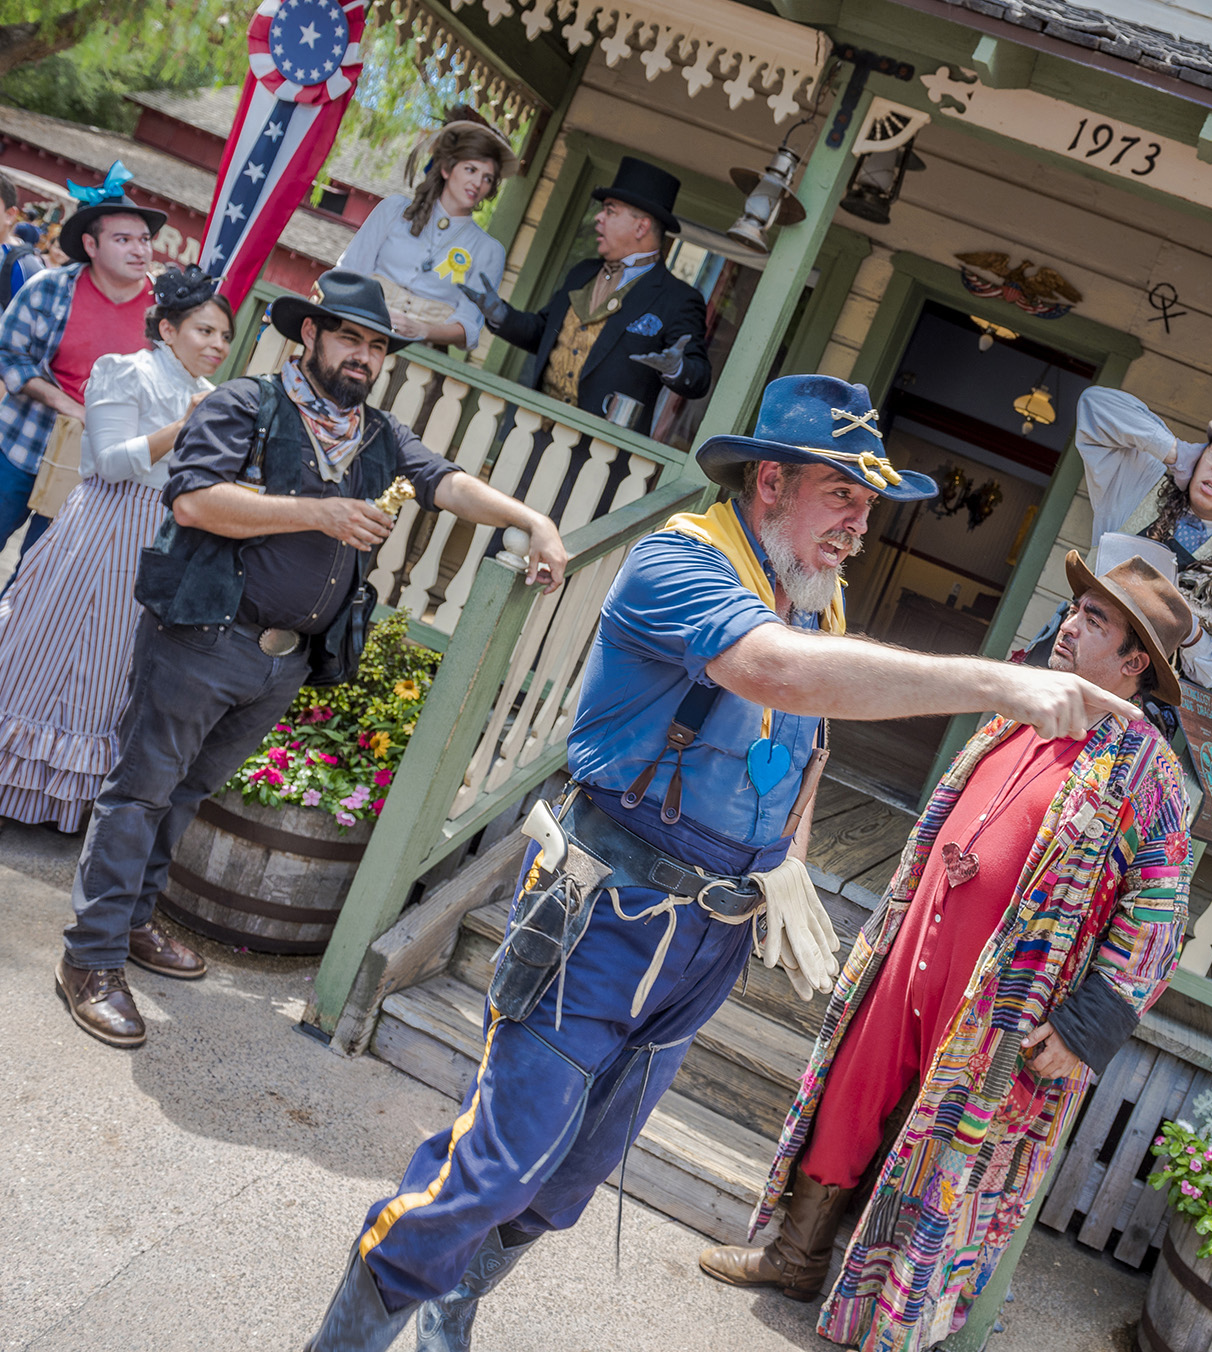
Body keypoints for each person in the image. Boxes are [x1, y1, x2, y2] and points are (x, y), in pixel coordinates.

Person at [302, 373, 1142, 1352]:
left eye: (870, 507)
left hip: (708, 936)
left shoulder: (815, 601)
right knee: (496, 1166)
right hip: (604, 915)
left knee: (568, 1181)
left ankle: (455, 1297)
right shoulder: (681, 562)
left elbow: (810, 736)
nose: (859, 526)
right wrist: (1002, 680)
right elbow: (769, 669)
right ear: (772, 482)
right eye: (844, 496)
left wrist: (782, 861)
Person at [53, 270, 567, 1052]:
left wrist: (534, 520)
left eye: (376, 345)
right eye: (349, 338)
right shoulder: (244, 404)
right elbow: (193, 501)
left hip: (281, 661)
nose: (363, 356)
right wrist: (319, 512)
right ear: (311, 336)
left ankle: (131, 924)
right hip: (203, 636)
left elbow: (446, 484)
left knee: (186, 793)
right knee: (141, 792)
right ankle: (87, 961)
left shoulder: (377, 435)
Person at [698, 550, 1194, 1350]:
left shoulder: (1150, 773)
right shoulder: (1019, 711)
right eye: (1075, 610)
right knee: (848, 1102)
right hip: (913, 951)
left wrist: (1086, 1026)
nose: (1069, 624)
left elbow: (1162, 915)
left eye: (1094, 621)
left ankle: (880, 1322)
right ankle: (794, 1258)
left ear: (1136, 662)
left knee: (945, 1165)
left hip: (1007, 1005)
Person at [0, 265, 231, 831]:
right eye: (205, 331)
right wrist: (183, 426)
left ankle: (63, 801)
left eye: (224, 336)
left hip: (163, 536)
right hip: (105, 524)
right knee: (49, 644)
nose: (217, 345)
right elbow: (109, 461)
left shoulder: (210, 396)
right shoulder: (124, 371)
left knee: (114, 666)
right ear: (169, 328)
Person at [1029, 385, 1212, 690]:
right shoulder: (1142, 481)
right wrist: (1173, 452)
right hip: (1062, 656)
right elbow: (1094, 405)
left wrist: (1188, 629)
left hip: (1138, 698)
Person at [460, 155, 710, 425]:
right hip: (532, 428)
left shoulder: (678, 299)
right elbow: (545, 334)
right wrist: (501, 316)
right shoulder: (582, 272)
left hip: (600, 452)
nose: (598, 218)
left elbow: (699, 378)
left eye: (610, 211)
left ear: (641, 227)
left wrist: (678, 368)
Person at [0, 162, 166, 560]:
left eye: (144, 239)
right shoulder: (48, 288)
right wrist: (66, 404)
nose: (140, 249)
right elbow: (7, 353)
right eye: (123, 239)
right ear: (91, 245)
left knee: (40, 576)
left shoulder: (164, 313)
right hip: (19, 445)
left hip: (92, 467)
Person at [336, 109, 516, 349]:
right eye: (471, 170)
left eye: (488, 178)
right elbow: (350, 271)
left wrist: (423, 330)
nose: (477, 183)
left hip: (422, 355)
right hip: (359, 330)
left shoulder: (489, 250)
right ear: (447, 169)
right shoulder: (394, 210)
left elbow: (469, 328)